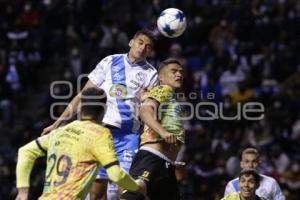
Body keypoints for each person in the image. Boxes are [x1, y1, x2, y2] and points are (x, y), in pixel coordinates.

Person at [42, 29, 158, 199]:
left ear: (150, 51)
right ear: (131, 42)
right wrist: (57, 123)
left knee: (126, 191)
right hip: (99, 135)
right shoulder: (110, 61)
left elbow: (148, 109)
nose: (142, 48)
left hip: (128, 137)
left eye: (148, 46)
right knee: (96, 194)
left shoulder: (151, 74)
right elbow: (84, 95)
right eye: (140, 42)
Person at [15, 88, 145, 200]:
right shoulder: (100, 134)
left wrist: (23, 191)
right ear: (104, 110)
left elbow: (25, 152)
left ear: (81, 108)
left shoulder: (61, 131)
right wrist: (136, 186)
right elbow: (115, 174)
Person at [120, 58, 185, 200]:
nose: (179, 74)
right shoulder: (164, 89)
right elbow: (145, 111)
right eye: (173, 71)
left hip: (167, 164)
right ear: (160, 77)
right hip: (152, 157)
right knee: (135, 193)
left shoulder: (171, 96)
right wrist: (163, 132)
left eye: (181, 72)